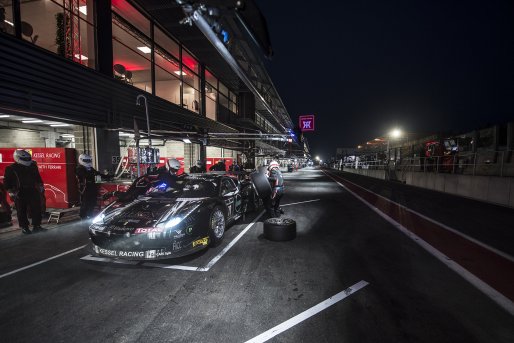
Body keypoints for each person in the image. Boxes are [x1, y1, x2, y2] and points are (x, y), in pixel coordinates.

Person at [3, 149, 45, 234]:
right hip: (19, 191)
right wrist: (10, 191)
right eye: (25, 159)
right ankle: (24, 227)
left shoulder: (32, 165)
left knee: (36, 208)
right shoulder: (11, 168)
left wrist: (40, 185)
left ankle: (37, 226)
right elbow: (6, 181)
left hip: (32, 189)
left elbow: (37, 176)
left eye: (28, 158)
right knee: (21, 210)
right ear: (17, 158)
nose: (27, 160)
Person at [75, 153, 100, 219]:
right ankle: (82, 216)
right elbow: (86, 176)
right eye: (86, 161)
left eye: (89, 160)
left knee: (92, 202)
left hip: (92, 187)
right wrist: (93, 174)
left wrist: (109, 176)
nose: (88, 162)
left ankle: (90, 214)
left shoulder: (90, 168)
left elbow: (98, 174)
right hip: (84, 188)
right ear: (81, 160)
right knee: (85, 203)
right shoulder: (79, 168)